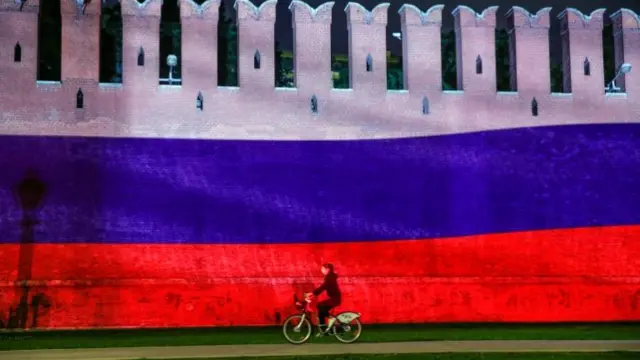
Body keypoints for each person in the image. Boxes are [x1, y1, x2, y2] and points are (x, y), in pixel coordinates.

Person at [308, 263, 341, 336]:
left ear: (327, 269)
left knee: (320, 306)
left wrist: (313, 293)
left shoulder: (329, 277)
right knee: (321, 309)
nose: (321, 270)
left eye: (322, 269)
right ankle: (324, 330)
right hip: (334, 298)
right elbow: (324, 287)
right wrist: (314, 294)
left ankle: (327, 323)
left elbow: (323, 286)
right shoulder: (330, 277)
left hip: (335, 299)